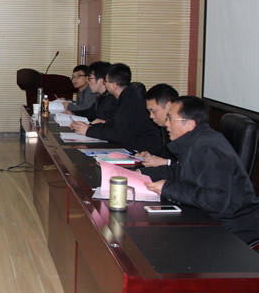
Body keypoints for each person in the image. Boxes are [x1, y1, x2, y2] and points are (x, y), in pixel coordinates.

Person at [144, 96, 259, 245]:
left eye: (170, 119)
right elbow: (179, 171)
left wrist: (168, 188)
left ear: (190, 124)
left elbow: (217, 199)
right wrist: (142, 174)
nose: (166, 124)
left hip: (231, 228)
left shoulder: (209, 150)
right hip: (209, 218)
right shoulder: (195, 141)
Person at [71, 63, 161, 155]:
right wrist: (100, 125)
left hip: (143, 152)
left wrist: (88, 130)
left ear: (114, 85)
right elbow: (117, 125)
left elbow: (118, 134)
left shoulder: (131, 102)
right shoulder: (126, 96)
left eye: (106, 81)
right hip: (131, 147)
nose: (104, 84)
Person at [139, 83, 179, 167]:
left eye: (153, 111)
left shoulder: (184, 129)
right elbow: (166, 157)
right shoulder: (163, 126)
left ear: (169, 105)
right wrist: (152, 157)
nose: (151, 116)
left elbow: (192, 167)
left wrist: (166, 162)